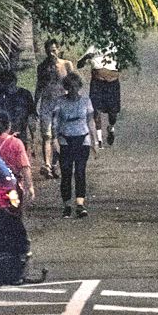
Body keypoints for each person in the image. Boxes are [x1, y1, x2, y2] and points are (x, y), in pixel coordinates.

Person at [0, 109, 39, 282]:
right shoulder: (16, 144)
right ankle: (16, 266)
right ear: (9, 125)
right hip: (11, 190)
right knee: (15, 225)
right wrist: (30, 187)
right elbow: (24, 168)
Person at [51, 72, 99, 218]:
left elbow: (90, 121)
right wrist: (54, 140)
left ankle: (80, 204)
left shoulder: (86, 101)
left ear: (79, 87)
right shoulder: (60, 102)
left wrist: (95, 141)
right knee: (66, 173)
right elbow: (55, 123)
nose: (72, 90)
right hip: (65, 139)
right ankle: (66, 205)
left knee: (80, 171)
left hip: (82, 139)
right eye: (69, 87)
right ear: (66, 87)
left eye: (75, 87)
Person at [34, 41, 74, 178]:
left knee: (60, 136)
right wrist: (35, 105)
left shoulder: (66, 65)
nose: (52, 53)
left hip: (62, 103)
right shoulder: (42, 67)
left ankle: (55, 164)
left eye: (54, 50)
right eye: (49, 51)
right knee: (47, 135)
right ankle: (47, 165)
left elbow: (74, 84)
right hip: (47, 103)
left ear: (58, 50)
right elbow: (39, 86)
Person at [80, 43, 121, 147]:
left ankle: (111, 128)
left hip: (112, 83)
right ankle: (99, 141)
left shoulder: (116, 47)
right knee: (96, 110)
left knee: (113, 114)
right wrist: (85, 58)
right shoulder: (93, 47)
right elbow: (79, 64)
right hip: (97, 83)